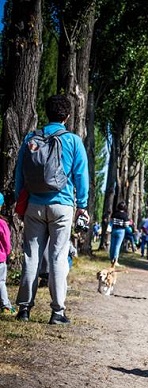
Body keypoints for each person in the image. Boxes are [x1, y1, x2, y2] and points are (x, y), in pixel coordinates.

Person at [14, 94, 89, 324]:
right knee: (58, 258)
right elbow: (81, 176)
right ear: (67, 116)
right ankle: (57, 312)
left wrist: (20, 200)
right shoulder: (73, 141)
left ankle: (24, 309)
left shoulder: (31, 138)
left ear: (47, 113)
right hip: (62, 206)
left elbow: (20, 174)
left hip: (35, 205)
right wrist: (83, 206)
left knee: (31, 257)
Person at [0, 193, 16, 315]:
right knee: (1, 282)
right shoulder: (2, 223)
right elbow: (6, 242)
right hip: (0, 259)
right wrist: (7, 252)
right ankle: (6, 305)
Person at [109, 201, 130, 266]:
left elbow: (111, 221)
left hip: (114, 229)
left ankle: (111, 258)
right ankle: (115, 260)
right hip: (121, 231)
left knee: (112, 245)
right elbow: (126, 225)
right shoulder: (125, 215)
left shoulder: (114, 213)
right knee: (117, 246)